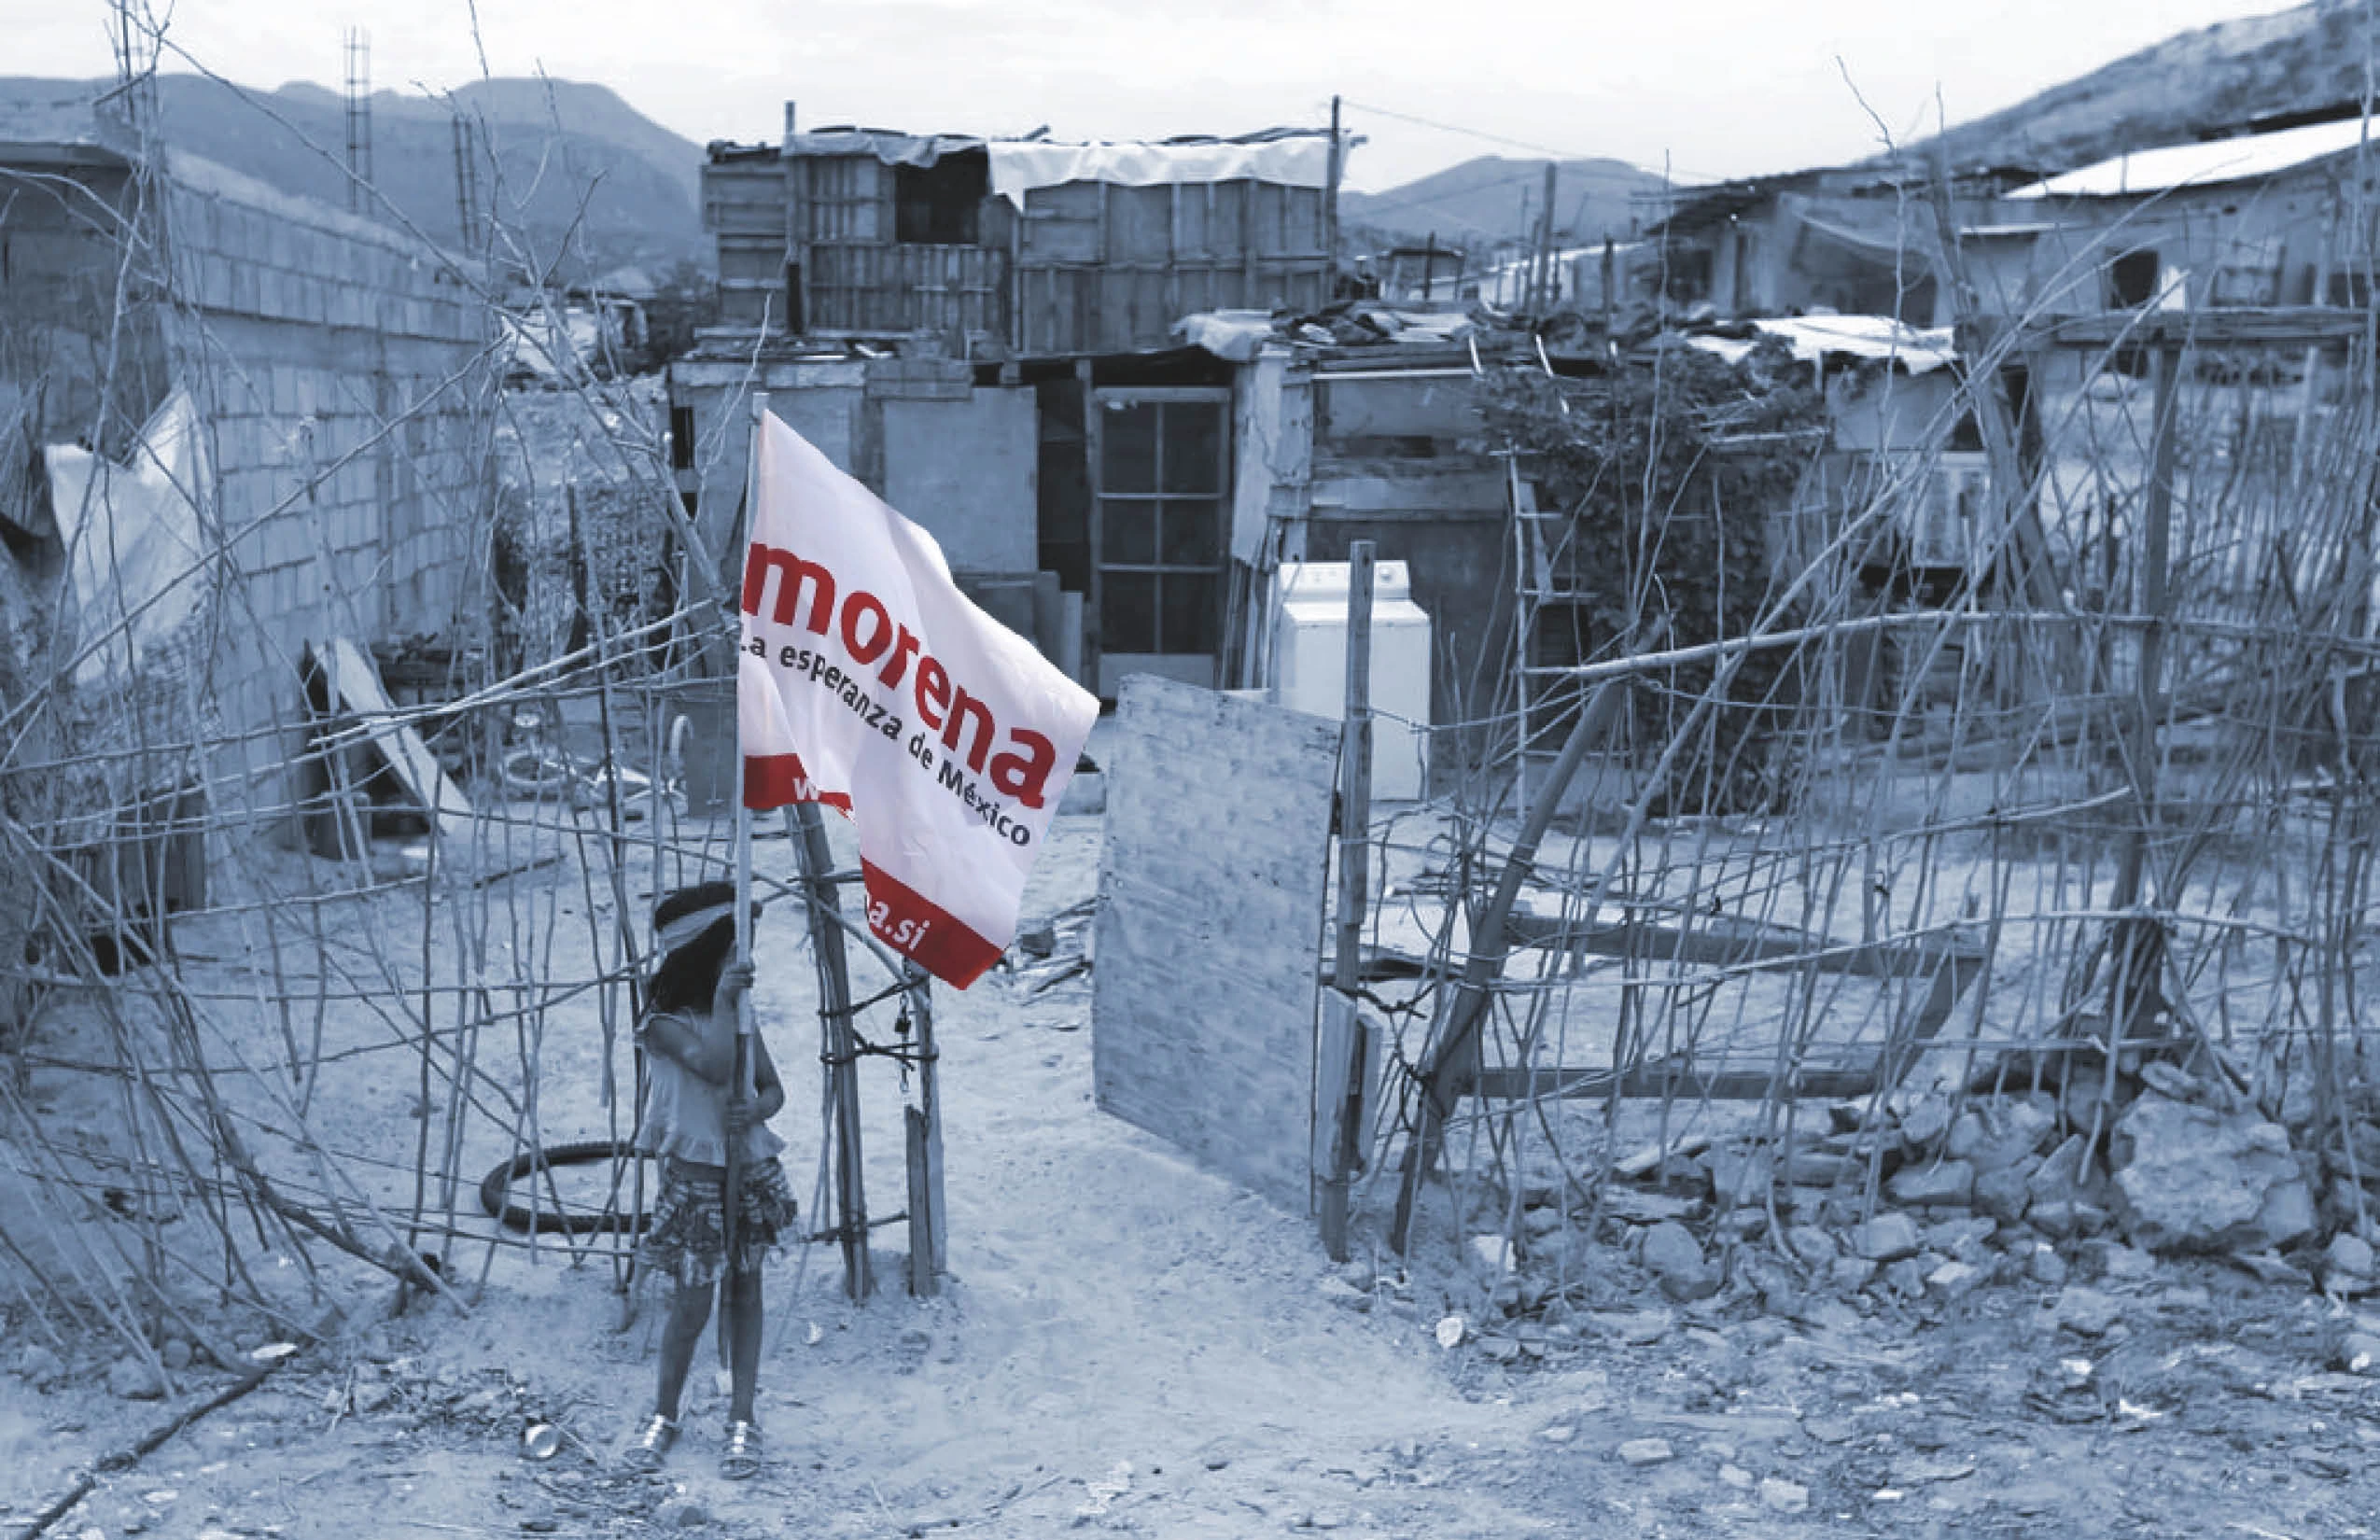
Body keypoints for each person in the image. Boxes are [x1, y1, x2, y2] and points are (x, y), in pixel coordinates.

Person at [620, 880, 797, 1479]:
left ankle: (742, 1416)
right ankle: (665, 1412)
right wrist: (724, 1002)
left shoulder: (741, 1016)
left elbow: (770, 1088)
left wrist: (758, 1109)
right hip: (696, 1186)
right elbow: (716, 1067)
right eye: (735, 948)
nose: (746, 960)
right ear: (707, 952)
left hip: (748, 1174)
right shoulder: (663, 1023)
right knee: (692, 1304)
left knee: (746, 1294)